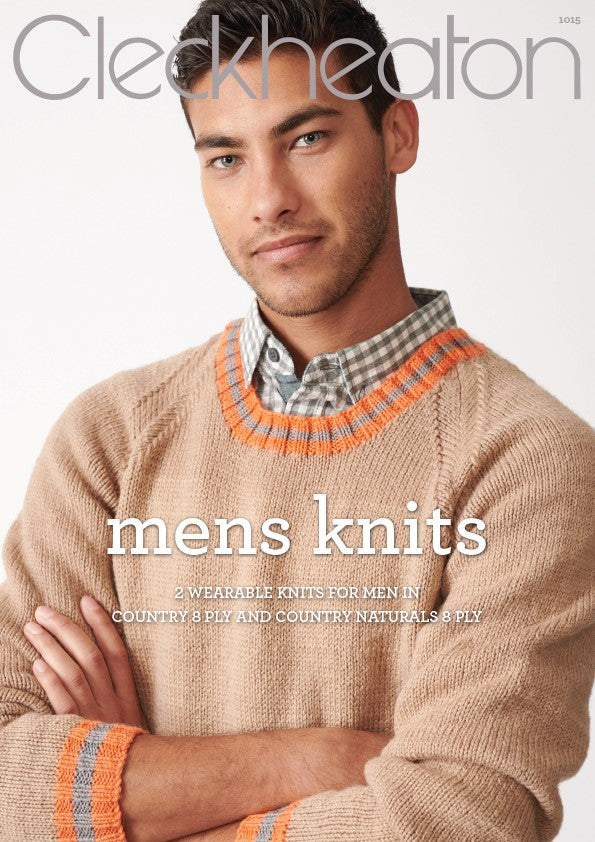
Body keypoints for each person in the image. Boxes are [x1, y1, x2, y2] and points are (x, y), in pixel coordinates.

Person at [1, 1, 593, 840]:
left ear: (397, 135)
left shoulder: (526, 459)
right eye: (226, 158)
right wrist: (306, 760)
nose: (267, 200)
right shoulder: (109, 440)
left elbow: (464, 819)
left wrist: (122, 800)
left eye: (306, 138)